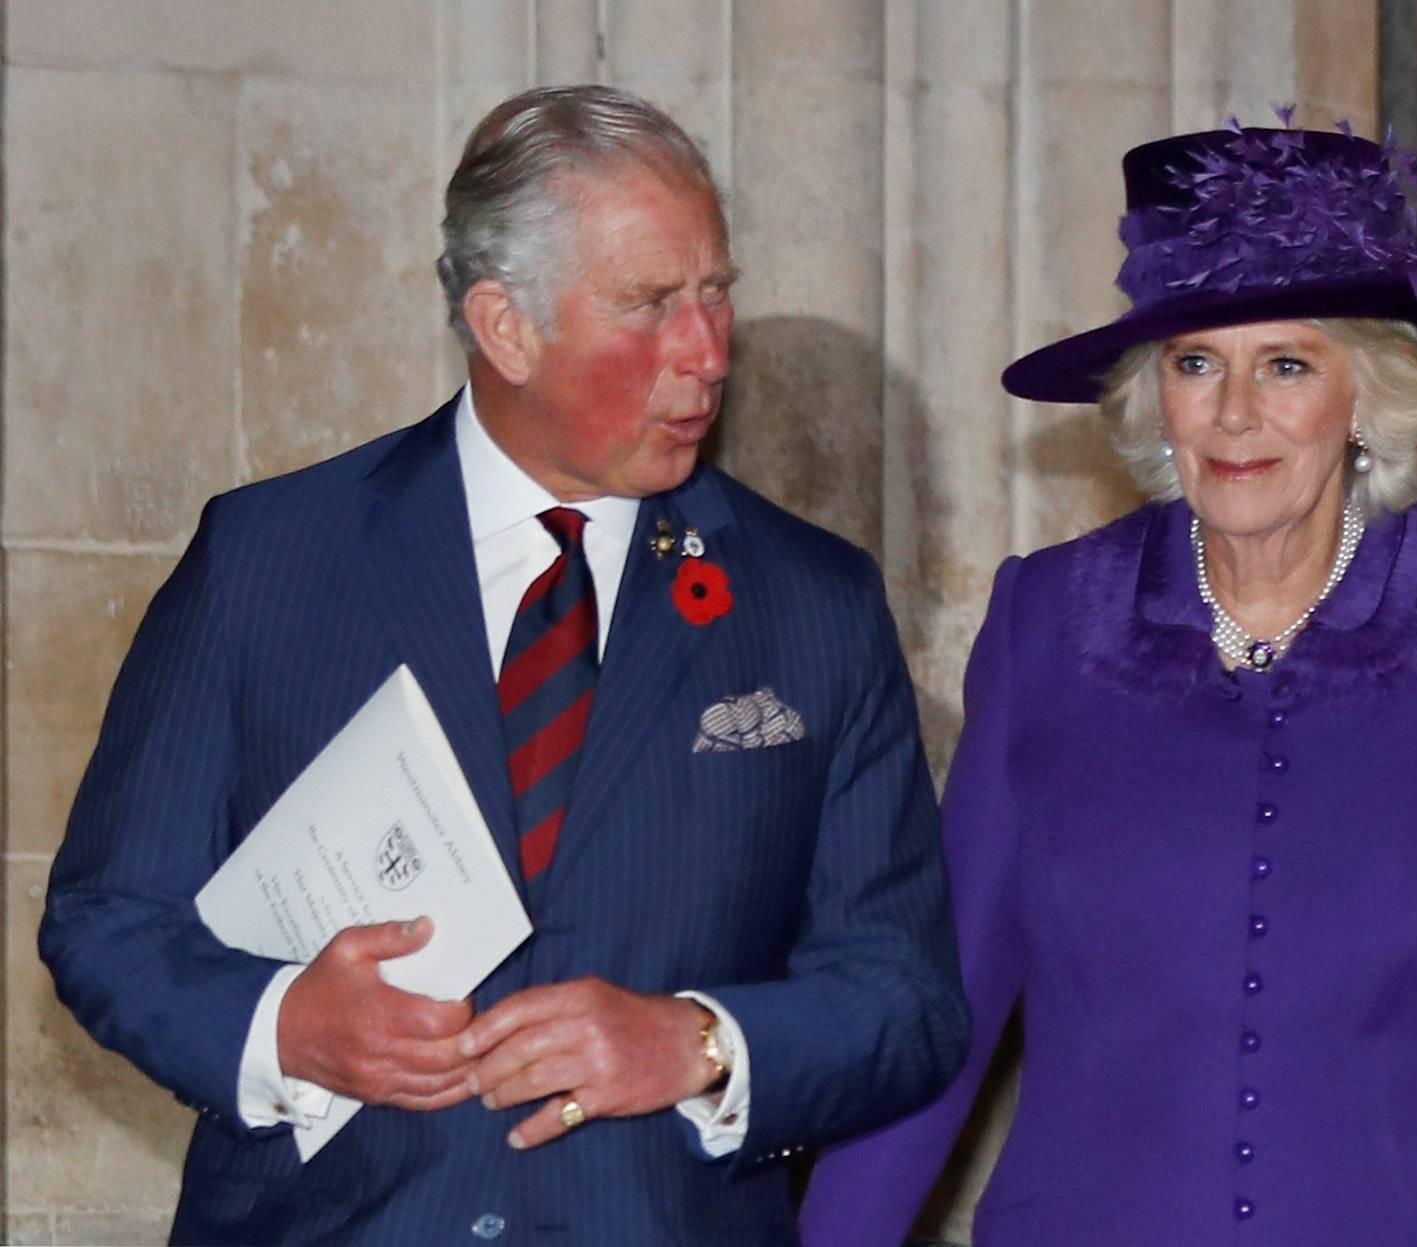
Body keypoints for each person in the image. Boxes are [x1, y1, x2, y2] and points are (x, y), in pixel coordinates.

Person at [40, 84, 967, 1245]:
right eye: (650, 304)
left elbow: (908, 998)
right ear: (505, 326)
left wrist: (699, 1041)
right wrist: (285, 1026)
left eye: (716, 292)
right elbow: (108, 917)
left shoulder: (814, 603)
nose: (709, 350)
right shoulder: (268, 559)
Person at [799, 121, 1417, 1245]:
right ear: (1153, 391)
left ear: (1369, 391)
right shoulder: (1048, 625)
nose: (1234, 412)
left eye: (1288, 363)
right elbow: (942, 1006)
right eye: (1196, 361)